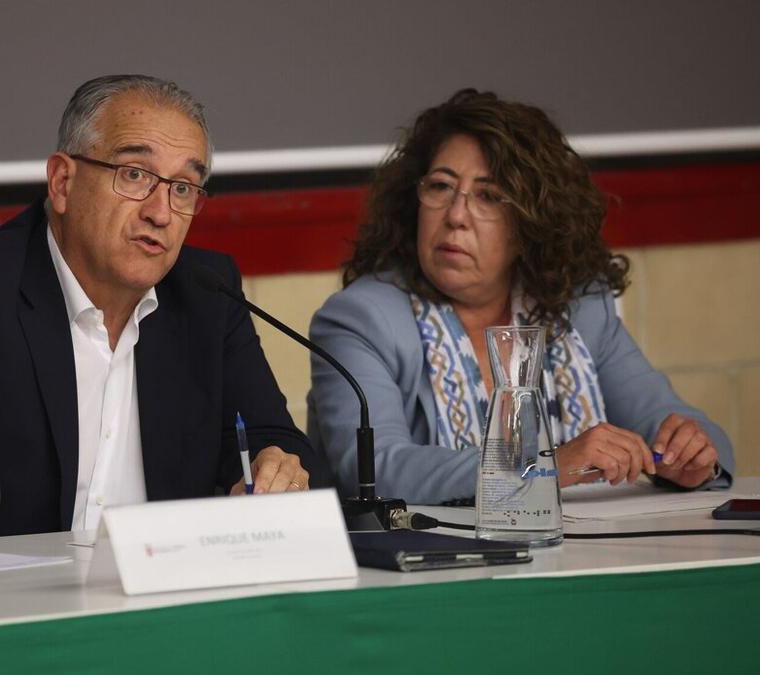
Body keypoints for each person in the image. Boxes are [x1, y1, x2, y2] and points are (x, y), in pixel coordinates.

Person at [0, 74, 324, 545]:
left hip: (153, 608)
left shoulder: (207, 294)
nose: (161, 211)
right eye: (134, 174)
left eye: (184, 187)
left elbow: (273, 439)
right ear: (62, 182)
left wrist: (276, 466)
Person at [306, 89, 734, 505]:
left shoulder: (577, 308)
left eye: (489, 196)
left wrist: (693, 455)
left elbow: (685, 428)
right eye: (440, 186)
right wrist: (538, 466)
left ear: (532, 223)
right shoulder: (362, 318)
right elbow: (376, 469)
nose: (455, 216)